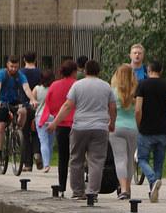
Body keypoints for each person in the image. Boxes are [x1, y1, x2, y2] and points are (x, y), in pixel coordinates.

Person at [46, 58, 117, 200]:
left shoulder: (77, 86)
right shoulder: (106, 86)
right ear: (99, 72)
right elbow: (113, 107)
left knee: (76, 159)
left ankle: (78, 192)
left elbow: (67, 106)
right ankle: (92, 192)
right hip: (100, 128)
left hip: (80, 127)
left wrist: (54, 123)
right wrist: (112, 123)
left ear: (84, 71)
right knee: (96, 161)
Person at [135, 58, 166, 202]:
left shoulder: (142, 85)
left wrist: (138, 125)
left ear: (148, 70)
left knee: (142, 159)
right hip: (162, 130)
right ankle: (153, 191)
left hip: (146, 130)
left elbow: (138, 110)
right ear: (161, 71)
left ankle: (153, 181)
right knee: (158, 162)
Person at [37, 59, 78, 194]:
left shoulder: (54, 85)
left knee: (62, 157)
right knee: (77, 157)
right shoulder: (77, 85)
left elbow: (47, 105)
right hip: (76, 124)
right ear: (74, 72)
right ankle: (78, 187)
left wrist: (42, 121)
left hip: (60, 124)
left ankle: (62, 186)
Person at [0, 55, 36, 164]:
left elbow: (26, 88)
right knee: (0, 129)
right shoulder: (1, 74)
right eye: (11, 66)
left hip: (13, 100)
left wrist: (33, 100)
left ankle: (17, 130)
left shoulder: (19, 75)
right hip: (1, 102)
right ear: (7, 65)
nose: (13, 69)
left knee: (23, 110)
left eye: (16, 67)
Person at [109, 63, 139, 199]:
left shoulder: (113, 92)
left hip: (116, 127)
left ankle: (123, 190)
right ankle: (128, 187)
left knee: (120, 158)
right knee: (129, 160)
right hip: (133, 128)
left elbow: (108, 110)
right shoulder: (136, 93)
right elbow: (139, 111)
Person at [20, 50, 43, 170]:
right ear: (35, 59)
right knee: (36, 133)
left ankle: (27, 163)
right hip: (38, 106)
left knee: (25, 133)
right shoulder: (40, 73)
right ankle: (37, 153)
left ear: (24, 59)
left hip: (24, 106)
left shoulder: (20, 73)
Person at [33, 68, 56, 172]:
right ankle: (48, 162)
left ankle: (46, 164)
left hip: (40, 117)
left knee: (43, 141)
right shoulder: (54, 89)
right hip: (52, 117)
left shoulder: (37, 89)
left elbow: (32, 103)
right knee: (50, 142)